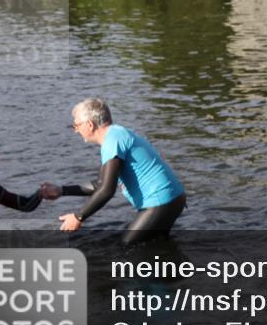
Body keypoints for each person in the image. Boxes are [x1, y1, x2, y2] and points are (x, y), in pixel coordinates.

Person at [59, 98, 186, 246]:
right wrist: (61, 190)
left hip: (160, 202)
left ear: (89, 124)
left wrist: (78, 217)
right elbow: (100, 184)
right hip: (172, 199)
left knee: (129, 247)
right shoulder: (116, 135)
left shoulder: (112, 141)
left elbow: (106, 190)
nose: (76, 131)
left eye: (76, 125)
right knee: (156, 246)